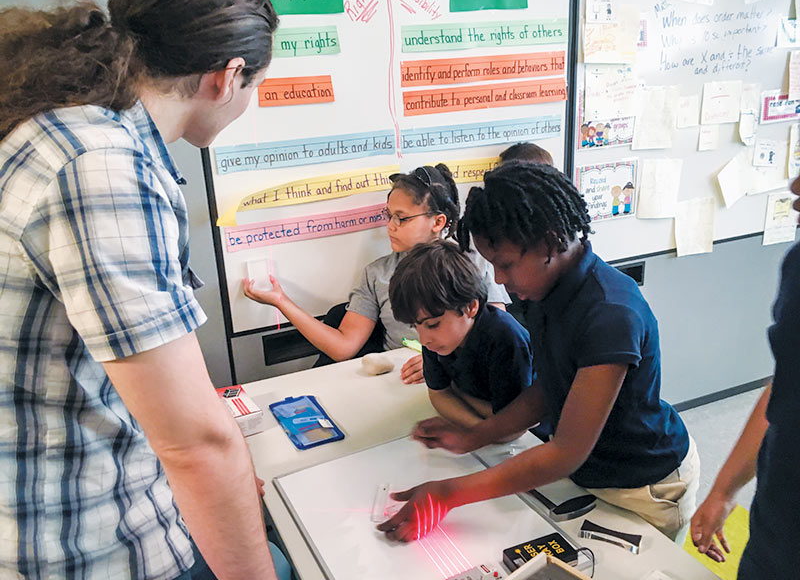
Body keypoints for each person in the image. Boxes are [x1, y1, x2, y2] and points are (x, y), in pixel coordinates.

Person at [0, 0, 291, 578]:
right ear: (227, 76)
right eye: (253, 87)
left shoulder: (67, 128)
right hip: (86, 539)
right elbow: (195, 445)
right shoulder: (102, 168)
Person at [377, 162, 698, 545]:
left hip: (645, 486)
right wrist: (474, 437)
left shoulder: (610, 314)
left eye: (505, 264)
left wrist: (447, 493)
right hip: (589, 475)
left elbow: (565, 451)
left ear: (549, 242)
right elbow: (549, 389)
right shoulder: (547, 290)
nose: (497, 279)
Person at [243, 164, 509, 384]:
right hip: (398, 381)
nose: (390, 227)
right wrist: (282, 301)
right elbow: (342, 346)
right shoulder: (378, 274)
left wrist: (441, 361)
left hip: (460, 378)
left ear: (438, 222)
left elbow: (497, 332)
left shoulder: (473, 262)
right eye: (388, 215)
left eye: (402, 218)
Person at [690, 176, 800, 577]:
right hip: (778, 527)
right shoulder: (797, 267)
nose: (795, 187)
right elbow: (786, 388)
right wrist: (722, 490)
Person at [388, 240, 532, 431]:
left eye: (433, 324)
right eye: (415, 326)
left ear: (471, 307)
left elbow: (513, 427)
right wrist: (482, 431)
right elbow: (438, 396)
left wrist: (455, 393)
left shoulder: (504, 337)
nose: (423, 340)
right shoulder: (436, 339)